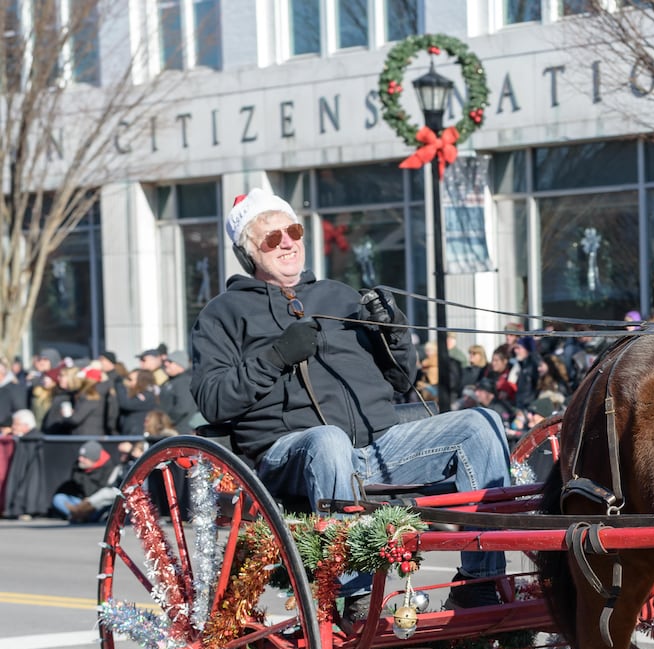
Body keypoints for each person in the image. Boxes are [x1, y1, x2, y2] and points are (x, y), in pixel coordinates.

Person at [189, 188, 512, 614]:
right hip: (289, 456)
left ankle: (480, 580)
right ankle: (355, 593)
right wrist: (276, 356)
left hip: (378, 445)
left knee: (480, 422)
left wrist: (393, 332)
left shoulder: (339, 296)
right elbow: (213, 400)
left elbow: (400, 379)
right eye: (271, 237)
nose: (287, 242)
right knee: (328, 439)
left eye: (293, 230)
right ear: (248, 253)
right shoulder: (222, 313)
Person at [51, 439, 121, 523]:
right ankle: (77, 515)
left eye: (84, 457)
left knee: (107, 505)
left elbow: (106, 491)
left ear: (93, 459)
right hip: (81, 501)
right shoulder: (78, 466)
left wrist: (88, 501)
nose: (80, 459)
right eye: (80, 456)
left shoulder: (110, 469)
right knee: (59, 499)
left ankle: (79, 516)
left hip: (96, 503)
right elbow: (78, 487)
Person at [157, 350, 200, 430]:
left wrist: (165, 421)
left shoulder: (184, 382)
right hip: (170, 428)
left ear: (180, 365)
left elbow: (183, 407)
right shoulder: (171, 381)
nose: (166, 364)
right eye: (166, 361)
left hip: (179, 430)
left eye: (170, 362)